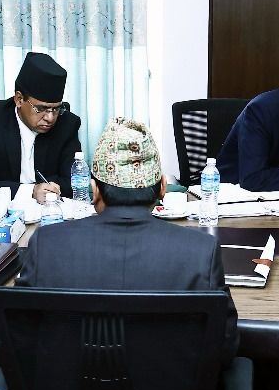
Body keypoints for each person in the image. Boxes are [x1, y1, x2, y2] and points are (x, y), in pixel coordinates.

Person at [16, 116, 237, 355]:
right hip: (167, 379)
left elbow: (21, 336)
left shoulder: (46, 243)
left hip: (65, 379)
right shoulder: (201, 251)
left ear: (94, 190)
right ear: (162, 187)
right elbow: (225, 345)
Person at [0, 52, 82, 202]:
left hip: (50, 209)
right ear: (19, 99)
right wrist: (30, 191)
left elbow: (76, 183)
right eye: (41, 109)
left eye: (56, 109)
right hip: (4, 209)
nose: (50, 118)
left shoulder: (67, 125)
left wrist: (52, 190)